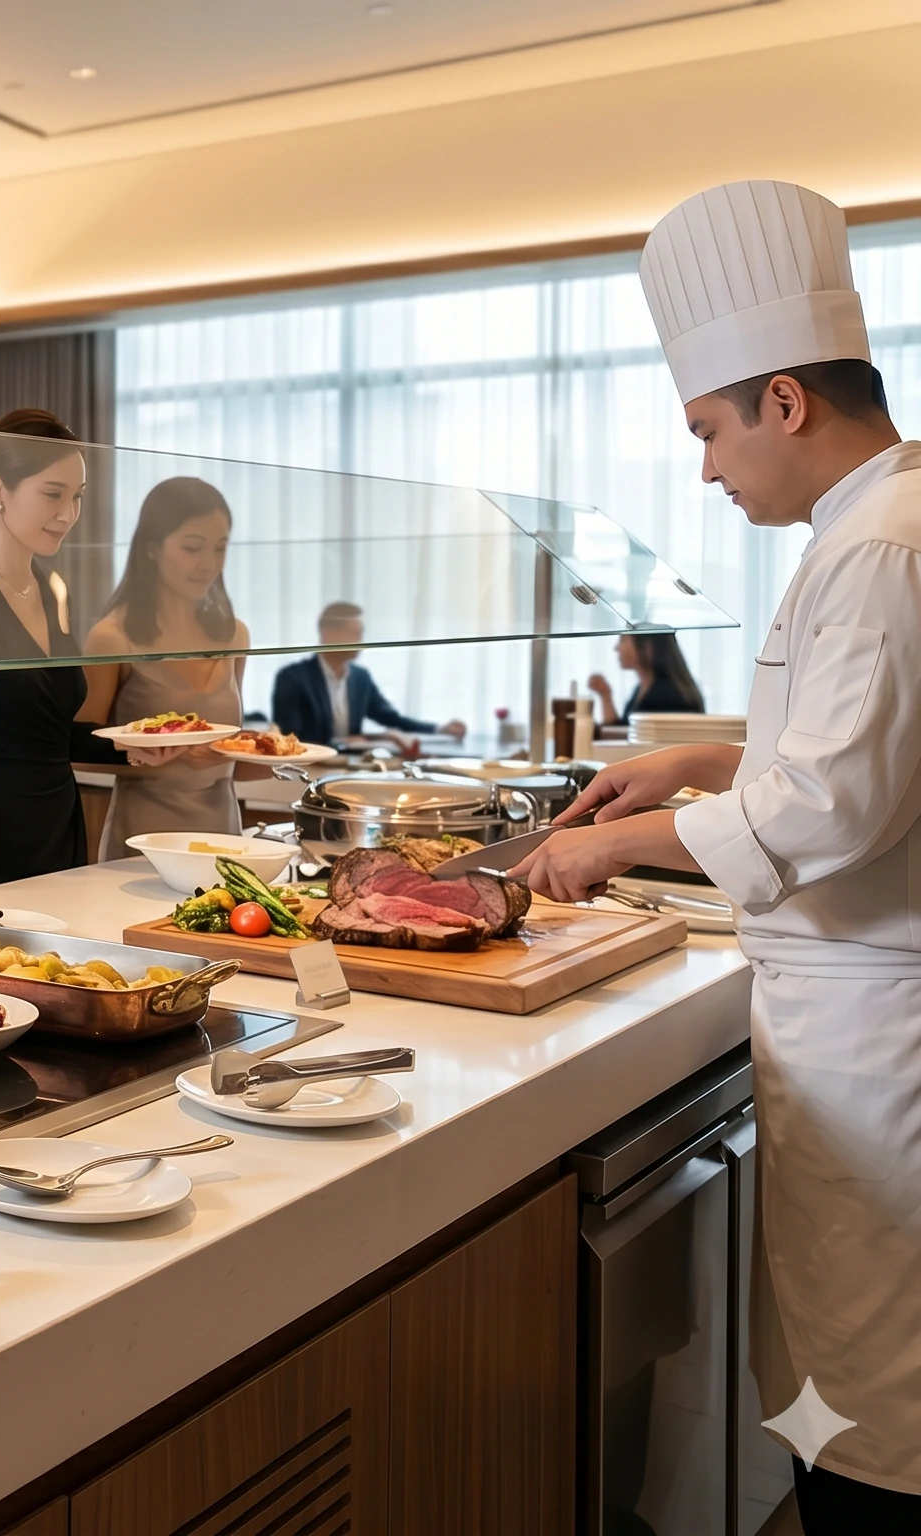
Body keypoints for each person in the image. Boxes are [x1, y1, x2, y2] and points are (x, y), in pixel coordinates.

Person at [512, 180, 921, 1525]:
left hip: (878, 1036)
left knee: (878, 1425)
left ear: (783, 402)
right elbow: (852, 757)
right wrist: (696, 764)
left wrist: (613, 846)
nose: (704, 468)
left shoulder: (879, 548)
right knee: (847, 1391)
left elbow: (832, 809)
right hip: (853, 1021)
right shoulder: (876, 523)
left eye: (706, 431)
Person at [0, 410, 164, 897]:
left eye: (77, 496)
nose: (68, 513)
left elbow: (47, 737)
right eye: (53, 494)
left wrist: (131, 745)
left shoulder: (52, 589)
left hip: (59, 840)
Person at [85, 476, 252, 856]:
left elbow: (235, 747)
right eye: (192, 548)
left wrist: (256, 753)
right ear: (151, 548)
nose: (208, 564)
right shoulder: (112, 637)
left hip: (223, 833)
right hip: (145, 837)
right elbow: (78, 750)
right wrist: (141, 756)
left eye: (220, 548)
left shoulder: (235, 634)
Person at [267, 602, 465, 752]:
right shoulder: (292, 678)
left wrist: (439, 729)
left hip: (350, 767)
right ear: (328, 634)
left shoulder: (360, 678)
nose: (361, 641)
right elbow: (290, 739)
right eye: (355, 634)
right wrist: (343, 743)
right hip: (308, 769)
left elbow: (390, 717)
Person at [586, 631, 706, 726]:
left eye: (623, 640)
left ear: (648, 646)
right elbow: (622, 730)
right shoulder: (642, 688)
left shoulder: (666, 696)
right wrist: (605, 695)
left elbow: (628, 737)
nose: (617, 648)